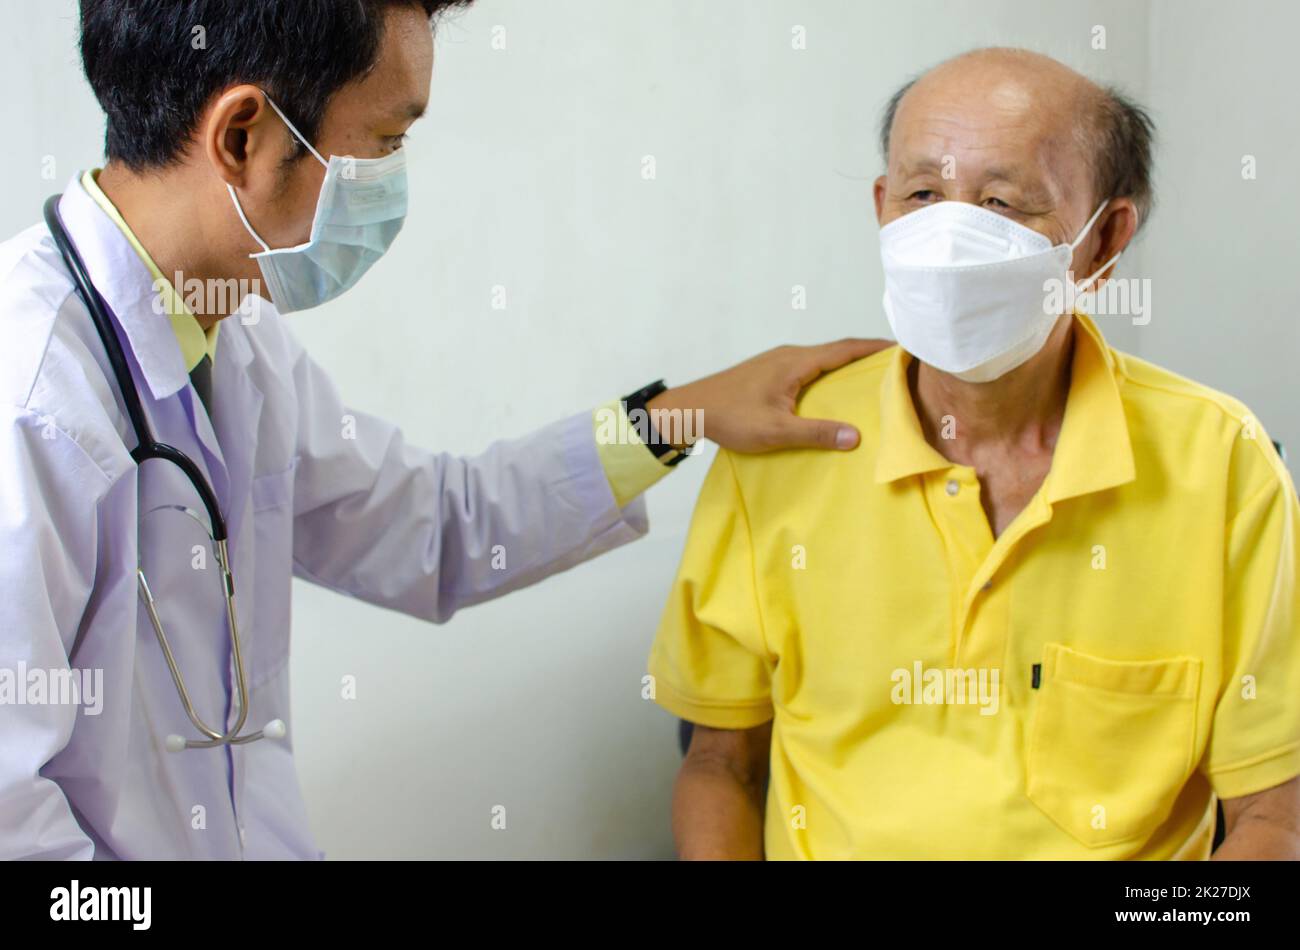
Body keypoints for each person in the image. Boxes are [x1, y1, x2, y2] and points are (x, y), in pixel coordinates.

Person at [0, 0, 887, 859]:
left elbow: (438, 527)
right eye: (387, 141)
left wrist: (676, 415)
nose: (393, 178)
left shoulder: (237, 337)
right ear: (243, 136)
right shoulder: (33, 399)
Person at [649, 48, 1300, 860]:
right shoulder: (783, 443)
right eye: (923, 194)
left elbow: (1273, 815)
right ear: (882, 208)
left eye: (1002, 202)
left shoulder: (1222, 466)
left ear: (1103, 244)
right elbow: (721, 765)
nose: (950, 235)